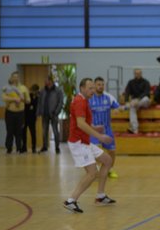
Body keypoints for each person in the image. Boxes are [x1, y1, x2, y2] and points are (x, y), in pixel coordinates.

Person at [63, 78, 116, 213]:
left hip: (85, 141)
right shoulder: (80, 101)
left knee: (107, 160)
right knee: (92, 173)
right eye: (90, 88)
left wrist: (94, 128)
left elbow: (83, 121)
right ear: (82, 88)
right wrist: (99, 136)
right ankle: (71, 200)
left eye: (93, 88)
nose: (93, 90)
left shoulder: (84, 100)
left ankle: (100, 196)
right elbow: (80, 124)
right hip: (78, 143)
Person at [89, 76, 121, 179]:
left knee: (112, 151)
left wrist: (117, 110)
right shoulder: (89, 98)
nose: (101, 86)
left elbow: (117, 107)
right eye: (98, 84)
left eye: (102, 85)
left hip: (107, 130)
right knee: (96, 151)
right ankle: (97, 169)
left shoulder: (109, 97)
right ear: (94, 85)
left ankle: (110, 169)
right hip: (94, 130)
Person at [1, 71, 29, 154]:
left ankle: (19, 148)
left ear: (19, 78)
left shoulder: (23, 88)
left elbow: (28, 100)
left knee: (19, 131)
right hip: (10, 112)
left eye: (17, 77)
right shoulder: (7, 88)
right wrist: (14, 99)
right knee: (9, 131)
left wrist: (21, 99)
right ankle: (9, 148)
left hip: (20, 113)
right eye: (14, 77)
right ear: (11, 78)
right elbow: (3, 98)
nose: (15, 78)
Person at [38, 75, 64, 153]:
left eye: (46, 80)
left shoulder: (58, 90)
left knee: (55, 131)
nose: (45, 82)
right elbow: (39, 102)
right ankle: (45, 146)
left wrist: (56, 112)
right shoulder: (42, 91)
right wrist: (39, 111)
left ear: (50, 81)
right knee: (44, 131)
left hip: (54, 114)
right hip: (44, 114)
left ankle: (57, 147)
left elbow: (60, 102)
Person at [122, 69, 151, 134]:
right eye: (136, 73)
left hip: (144, 101)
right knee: (132, 108)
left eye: (139, 73)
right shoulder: (131, 82)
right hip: (134, 103)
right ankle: (135, 129)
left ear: (141, 74)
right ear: (134, 74)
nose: (138, 74)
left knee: (145, 98)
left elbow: (146, 92)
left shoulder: (146, 82)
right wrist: (126, 101)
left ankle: (128, 106)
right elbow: (127, 92)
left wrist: (138, 100)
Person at [21, 84, 39, 153]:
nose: (34, 92)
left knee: (33, 133)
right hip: (25, 116)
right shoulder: (28, 96)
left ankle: (33, 148)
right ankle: (24, 147)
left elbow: (36, 106)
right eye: (33, 90)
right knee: (23, 132)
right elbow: (26, 104)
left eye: (35, 91)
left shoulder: (37, 97)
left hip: (32, 117)